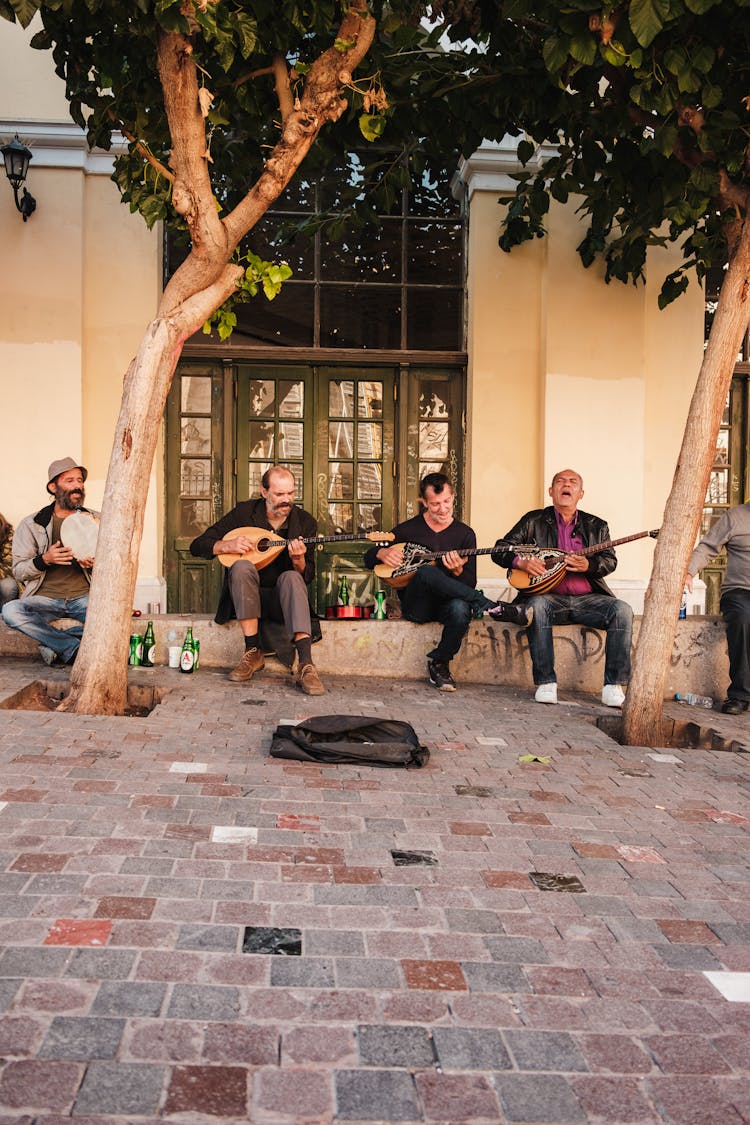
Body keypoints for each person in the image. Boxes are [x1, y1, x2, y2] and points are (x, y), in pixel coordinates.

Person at [364, 472, 529, 692]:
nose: (442, 509)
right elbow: (368, 558)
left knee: (461, 608)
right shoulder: (406, 530)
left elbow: (469, 582)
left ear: (453, 497)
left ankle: (439, 663)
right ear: (424, 502)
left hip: (447, 606)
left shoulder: (465, 534)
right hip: (417, 606)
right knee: (425, 572)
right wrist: (380, 554)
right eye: (435, 504)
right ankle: (491, 606)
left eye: (447, 501)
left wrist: (459, 569)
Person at [493, 468, 633, 707]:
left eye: (572, 482)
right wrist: (522, 562)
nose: (566, 485)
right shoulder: (533, 521)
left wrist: (589, 564)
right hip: (548, 598)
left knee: (622, 610)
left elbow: (610, 561)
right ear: (551, 491)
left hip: (589, 599)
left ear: (580, 494)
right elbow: (500, 549)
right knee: (536, 606)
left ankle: (613, 686)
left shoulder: (596, 526)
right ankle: (546, 683)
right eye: (560, 481)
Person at [189, 465, 325, 695]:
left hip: (284, 602)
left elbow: (306, 576)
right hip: (248, 598)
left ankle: (306, 664)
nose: (287, 500)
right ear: (263, 492)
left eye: (291, 493)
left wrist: (299, 559)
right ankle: (252, 652)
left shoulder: (305, 522)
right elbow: (197, 545)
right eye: (279, 494)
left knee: (292, 577)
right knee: (241, 566)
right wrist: (225, 545)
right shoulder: (244, 514)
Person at [2, 458, 97, 666]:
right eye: (69, 480)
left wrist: (95, 564)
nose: (77, 486)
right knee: (10, 611)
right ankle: (71, 646)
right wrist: (45, 559)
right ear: (53, 487)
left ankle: (55, 643)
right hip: (45, 599)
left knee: (119, 618)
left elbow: (115, 564)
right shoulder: (32, 524)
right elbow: (18, 571)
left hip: (83, 597)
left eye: (79, 480)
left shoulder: (96, 520)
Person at [686, 504, 750, 714]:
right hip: (739, 591)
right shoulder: (735, 516)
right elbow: (707, 547)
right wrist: (688, 572)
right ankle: (740, 695)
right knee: (742, 619)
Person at [0, 512, 19, 607]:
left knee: (8, 586)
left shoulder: (10, 537)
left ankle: (3, 614)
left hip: (5, 578)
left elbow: (9, 566)